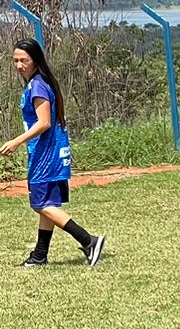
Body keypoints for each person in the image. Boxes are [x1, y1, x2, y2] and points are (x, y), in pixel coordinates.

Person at [2, 39, 106, 267]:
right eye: (15, 60)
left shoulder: (38, 85)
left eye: (24, 60)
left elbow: (44, 122)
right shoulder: (36, 82)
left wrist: (16, 141)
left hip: (47, 154)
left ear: (35, 60)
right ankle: (40, 255)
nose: (19, 65)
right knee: (47, 204)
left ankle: (89, 241)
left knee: (40, 204)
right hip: (49, 152)